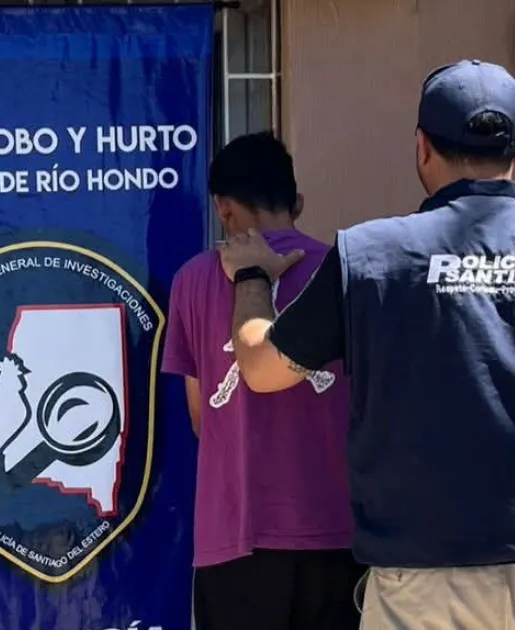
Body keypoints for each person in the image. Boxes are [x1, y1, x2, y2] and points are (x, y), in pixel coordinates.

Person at [216, 59, 515, 630]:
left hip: (420, 589)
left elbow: (261, 367)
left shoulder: (369, 257)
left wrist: (252, 277)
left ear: (422, 148)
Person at [162, 131, 363, 630]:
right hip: (338, 534)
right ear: (297, 203)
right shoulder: (348, 273)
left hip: (236, 538)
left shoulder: (193, 280)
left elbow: (199, 416)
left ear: (224, 209)